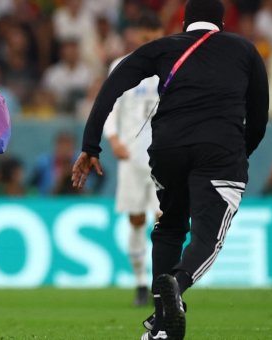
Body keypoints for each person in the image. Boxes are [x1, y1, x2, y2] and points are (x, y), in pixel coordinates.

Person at [71, 1, 269, 339]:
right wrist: (239, 153)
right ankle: (174, 286)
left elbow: (111, 87)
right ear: (221, 21)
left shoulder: (161, 48)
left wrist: (91, 145)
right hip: (219, 151)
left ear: (183, 21)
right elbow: (259, 116)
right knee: (208, 236)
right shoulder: (244, 50)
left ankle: (161, 325)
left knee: (169, 226)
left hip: (167, 151)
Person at [103, 11, 164, 307]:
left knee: (163, 222)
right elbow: (108, 107)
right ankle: (141, 282)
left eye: (154, 38)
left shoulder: (172, 67)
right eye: (145, 38)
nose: (149, 43)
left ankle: (161, 283)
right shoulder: (123, 66)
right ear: (136, 37)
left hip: (164, 159)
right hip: (132, 157)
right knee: (137, 220)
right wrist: (113, 139)